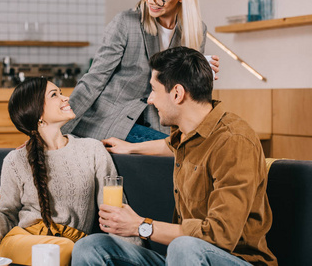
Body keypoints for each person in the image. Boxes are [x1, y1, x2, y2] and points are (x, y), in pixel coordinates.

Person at [72, 47, 277, 266]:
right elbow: (170, 145)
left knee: (183, 246)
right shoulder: (188, 135)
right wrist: (130, 148)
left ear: (177, 94)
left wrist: (140, 225)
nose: (150, 100)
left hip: (236, 259)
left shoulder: (234, 141)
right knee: (92, 247)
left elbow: (221, 235)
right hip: (183, 258)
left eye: (153, 90)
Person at [0, 77, 120, 266]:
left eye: (60, 93)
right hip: (21, 242)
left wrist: (131, 254)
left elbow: (116, 212)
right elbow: (7, 225)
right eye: (54, 95)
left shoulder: (92, 150)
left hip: (72, 247)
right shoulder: (15, 160)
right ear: (38, 113)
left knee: (68, 248)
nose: (66, 98)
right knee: (61, 249)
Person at [62, 0, 219, 143]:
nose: (151, 1)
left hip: (160, 124)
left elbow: (183, 93)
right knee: (182, 149)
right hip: (112, 120)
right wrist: (58, 127)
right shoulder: (126, 23)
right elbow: (94, 79)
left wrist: (199, 75)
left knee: (203, 145)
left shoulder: (196, 32)